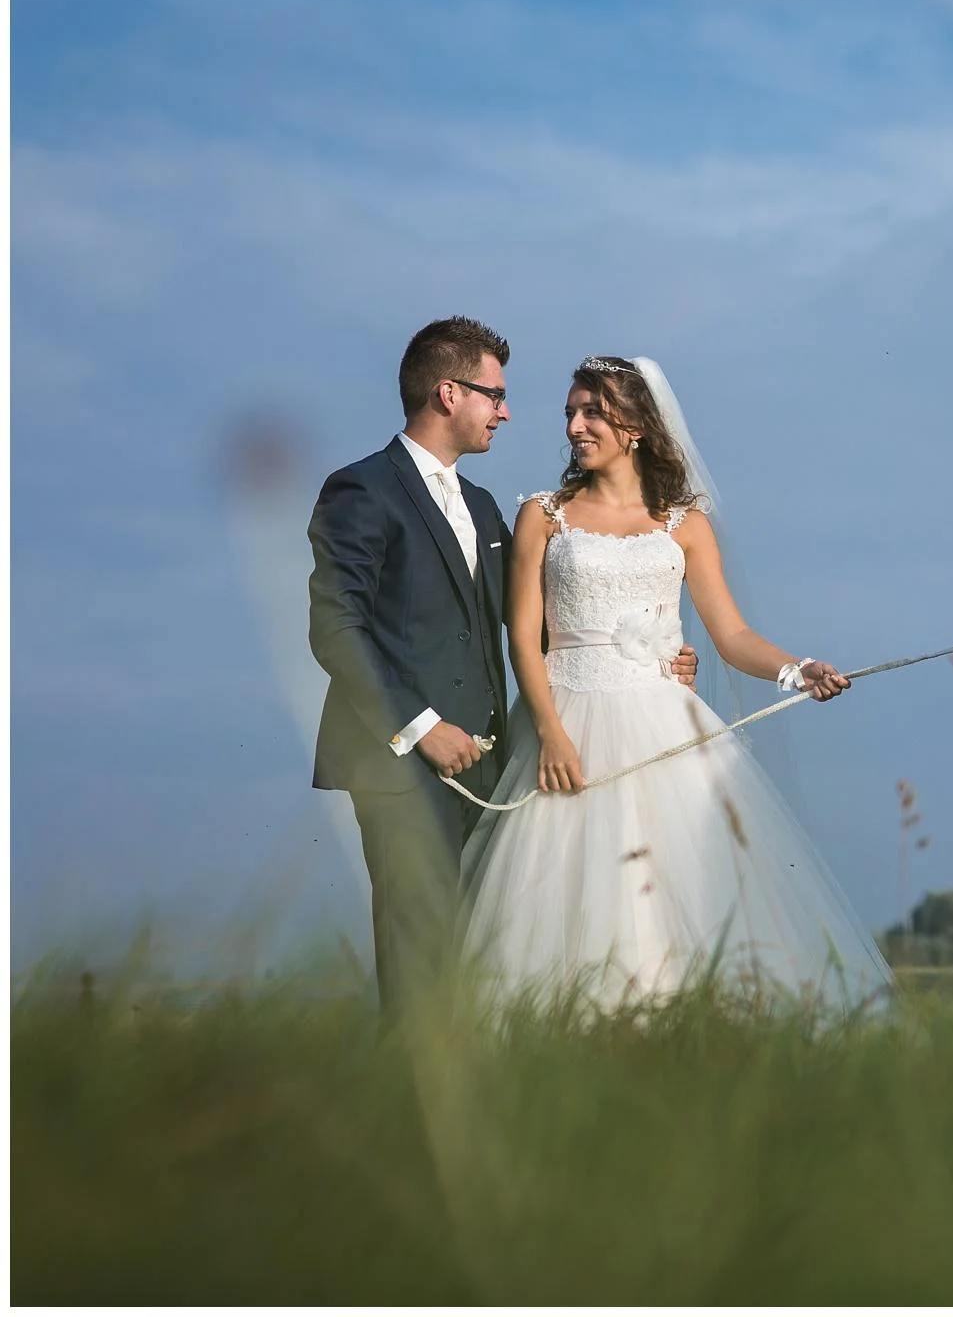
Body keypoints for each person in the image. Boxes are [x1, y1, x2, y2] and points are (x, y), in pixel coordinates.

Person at [458, 355, 894, 1015]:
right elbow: (521, 637)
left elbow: (731, 634)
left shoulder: (685, 523)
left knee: (685, 899)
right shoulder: (542, 516)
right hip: (565, 724)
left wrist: (793, 669)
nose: (575, 426)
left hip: (664, 726)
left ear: (634, 425)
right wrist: (550, 734)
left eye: (592, 412)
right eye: (571, 413)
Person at [309, 320, 695, 1019]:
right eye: (496, 395)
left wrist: (650, 648)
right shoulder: (360, 491)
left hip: (490, 770)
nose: (507, 411)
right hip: (400, 766)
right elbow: (335, 630)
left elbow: (550, 629)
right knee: (420, 958)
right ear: (448, 393)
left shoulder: (485, 507)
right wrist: (419, 729)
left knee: (475, 965)